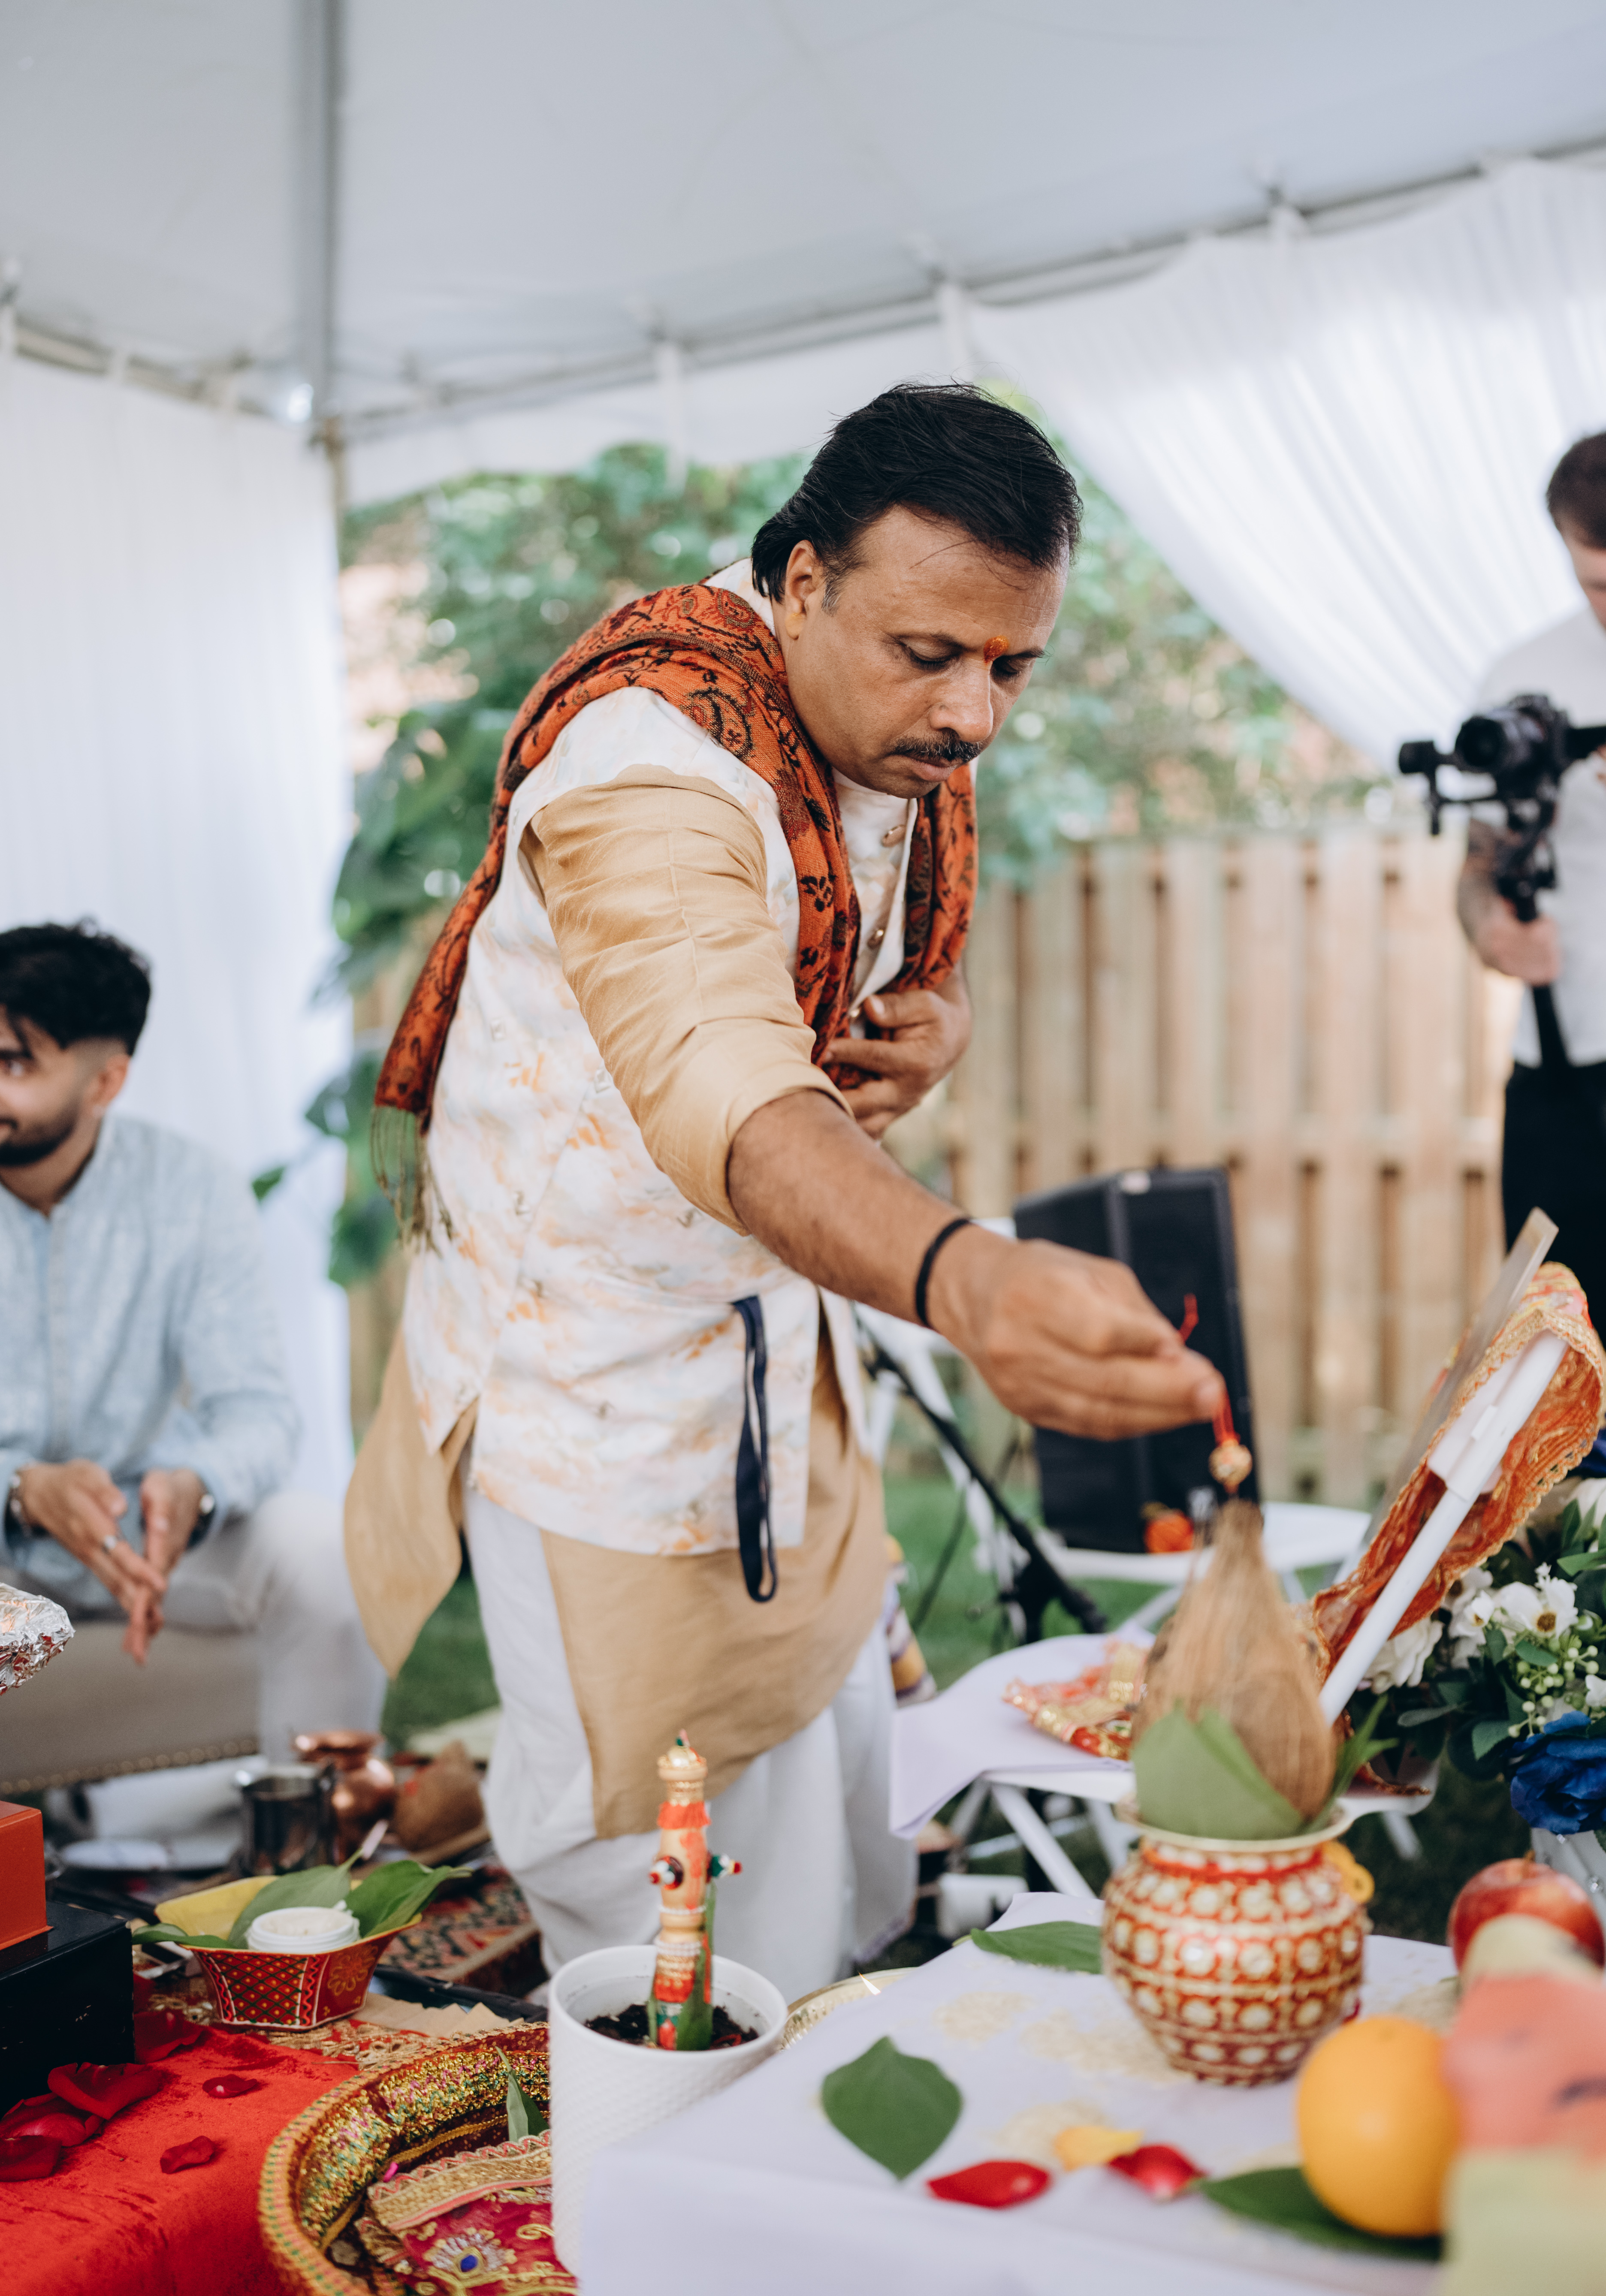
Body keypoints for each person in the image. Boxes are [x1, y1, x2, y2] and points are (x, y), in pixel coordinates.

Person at [348, 383, 1224, 2003]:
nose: (974, 716)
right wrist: (966, 1280)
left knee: (825, 1771)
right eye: (931, 654)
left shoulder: (873, 714)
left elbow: (853, 971)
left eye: (1012, 665)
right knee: (661, 1858)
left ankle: (826, 2033)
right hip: (600, 1385)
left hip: (778, 1331)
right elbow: (731, 1092)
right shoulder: (648, 767)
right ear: (802, 583)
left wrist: (940, 1023)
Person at [0, 921, 384, 1757]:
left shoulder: (192, 1189)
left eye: (13, 1064)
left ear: (106, 1081)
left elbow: (258, 1412)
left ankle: (315, 1828)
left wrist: (195, 1489)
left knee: (322, 1551)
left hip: (152, 1531)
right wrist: (23, 1490)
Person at [1460, 433, 1606, 1336]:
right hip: (1561, 1070)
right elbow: (1478, 866)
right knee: (1554, 1345)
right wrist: (1490, 929)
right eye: (1597, 584)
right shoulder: (1522, 683)